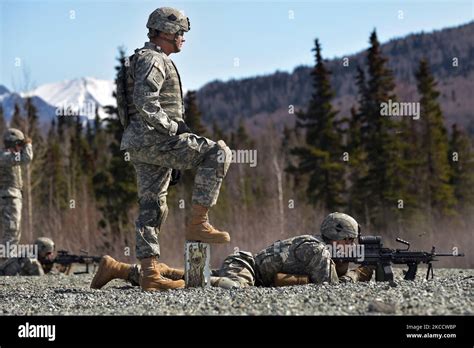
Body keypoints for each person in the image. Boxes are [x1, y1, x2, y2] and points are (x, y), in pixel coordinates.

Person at [119, 7, 233, 291]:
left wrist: (165, 153)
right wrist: (172, 132)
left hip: (140, 144)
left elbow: (127, 109)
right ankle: (198, 222)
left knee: (152, 206)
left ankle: (149, 274)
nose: (183, 37)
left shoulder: (140, 59)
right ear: (164, 32)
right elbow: (146, 102)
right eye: (180, 32)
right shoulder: (154, 60)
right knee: (218, 152)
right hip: (156, 139)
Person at [90, 212, 374, 289]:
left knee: (195, 274)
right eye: (349, 242)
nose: (351, 247)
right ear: (337, 237)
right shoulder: (320, 251)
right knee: (226, 287)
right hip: (246, 268)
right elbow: (329, 287)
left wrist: (346, 265)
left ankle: (119, 269)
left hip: (252, 271)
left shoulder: (320, 246)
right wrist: (357, 276)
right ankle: (153, 281)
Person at [0, 128, 33, 255]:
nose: (20, 148)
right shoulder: (6, 156)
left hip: (9, 197)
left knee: (10, 232)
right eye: (19, 145)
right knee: (11, 232)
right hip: (9, 198)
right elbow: (27, 158)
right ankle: (6, 264)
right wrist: (28, 144)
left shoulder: (7, 156)